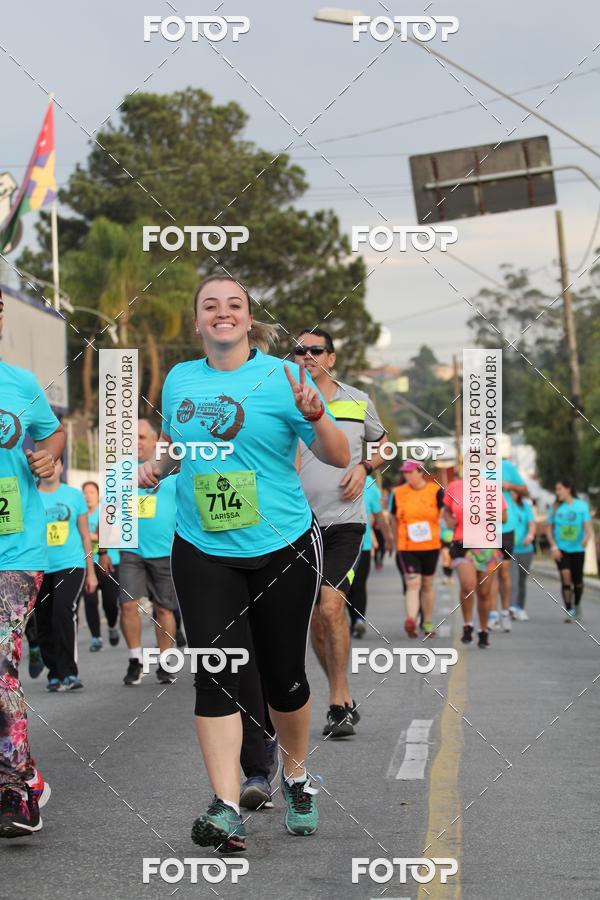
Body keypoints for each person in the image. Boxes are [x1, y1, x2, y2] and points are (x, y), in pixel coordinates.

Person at [140, 275, 349, 851]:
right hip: (203, 548)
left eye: (234, 305)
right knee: (217, 675)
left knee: (284, 678)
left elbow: (336, 456)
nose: (223, 313)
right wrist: (157, 467)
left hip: (281, 547)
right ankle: (226, 803)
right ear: (198, 319)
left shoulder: (284, 378)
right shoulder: (181, 378)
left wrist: (317, 415)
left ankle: (298, 777)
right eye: (211, 305)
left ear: (249, 319)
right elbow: (177, 446)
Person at [294, 328, 387, 739]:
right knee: (313, 617)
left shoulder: (357, 400)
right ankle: (341, 698)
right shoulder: (283, 400)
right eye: (300, 351)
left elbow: (385, 446)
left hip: (345, 522)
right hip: (297, 524)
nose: (308, 356)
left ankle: (338, 699)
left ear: (331, 358)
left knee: (332, 605)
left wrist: (364, 467)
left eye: (316, 350)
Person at [0, 288, 65, 836]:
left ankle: (16, 791)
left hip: (15, 549)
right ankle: (27, 774)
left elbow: (51, 433)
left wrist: (49, 455)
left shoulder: (20, 384)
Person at [112, 419, 179, 686]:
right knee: (127, 605)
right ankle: (135, 659)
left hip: (165, 550)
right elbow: (110, 511)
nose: (136, 442)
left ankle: (165, 662)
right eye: (131, 437)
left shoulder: (172, 470)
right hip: (131, 550)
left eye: (141, 437)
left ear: (155, 440)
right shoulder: (119, 471)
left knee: (164, 609)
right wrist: (106, 549)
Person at [37, 460, 97, 691]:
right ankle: (54, 672)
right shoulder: (31, 496)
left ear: (62, 467)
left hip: (71, 564)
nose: (51, 467)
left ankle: (70, 672)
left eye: (56, 462)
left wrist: (91, 572)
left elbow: (84, 535)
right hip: (40, 566)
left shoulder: (73, 495)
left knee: (62, 611)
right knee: (43, 618)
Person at [443, 478, 505, 648]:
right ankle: (468, 624)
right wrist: (449, 520)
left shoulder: (491, 487)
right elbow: (446, 510)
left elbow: (504, 517)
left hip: (487, 547)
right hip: (463, 545)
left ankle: (483, 630)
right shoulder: (455, 486)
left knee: (484, 593)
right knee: (468, 587)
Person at [390, 461, 444, 638]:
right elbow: (393, 518)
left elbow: (444, 515)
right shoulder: (398, 493)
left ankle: (427, 622)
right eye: (405, 473)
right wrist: (394, 540)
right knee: (413, 583)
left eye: (410, 472)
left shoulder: (435, 491)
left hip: (431, 546)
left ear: (421, 472)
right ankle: (411, 620)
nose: (407, 476)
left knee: (427, 585)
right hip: (407, 547)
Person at [488, 451, 528, 633]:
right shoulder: (474, 468)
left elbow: (525, 490)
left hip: (506, 526)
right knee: (490, 572)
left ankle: (505, 611)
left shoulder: (507, 467)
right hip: (485, 527)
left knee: (503, 572)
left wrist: (507, 485)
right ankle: (492, 614)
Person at [349, 475, 392, 638]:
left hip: (363, 544)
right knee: (348, 586)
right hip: (335, 546)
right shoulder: (329, 475)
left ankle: (358, 620)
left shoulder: (368, 483)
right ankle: (354, 620)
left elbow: (379, 515)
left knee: (358, 583)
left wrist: (387, 538)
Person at [546, 480, 593, 621]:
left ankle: (577, 605)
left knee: (578, 581)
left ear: (568, 489)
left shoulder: (582, 506)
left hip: (578, 549)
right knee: (565, 575)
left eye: (559, 489)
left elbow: (588, 528)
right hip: (561, 549)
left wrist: (587, 537)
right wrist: (554, 546)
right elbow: (549, 530)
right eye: (556, 489)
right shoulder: (555, 507)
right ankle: (570, 610)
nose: (557, 492)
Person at [82, 480, 120, 651]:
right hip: (87, 563)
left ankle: (112, 626)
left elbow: (115, 535)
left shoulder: (105, 512)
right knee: (90, 602)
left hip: (109, 561)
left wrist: (91, 535)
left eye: (91, 492)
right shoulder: (80, 515)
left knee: (110, 603)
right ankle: (96, 637)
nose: (87, 496)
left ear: (98, 496)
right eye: (85, 492)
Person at [509, 491, 536, 621]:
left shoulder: (525, 505)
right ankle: (512, 607)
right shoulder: (505, 504)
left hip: (526, 550)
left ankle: (520, 608)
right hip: (510, 549)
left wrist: (530, 536)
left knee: (521, 581)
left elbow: (532, 524)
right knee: (512, 580)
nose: (512, 493)